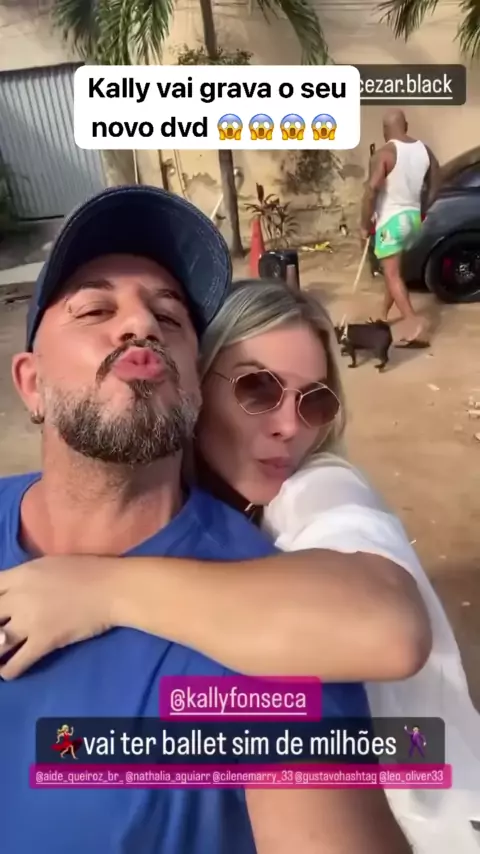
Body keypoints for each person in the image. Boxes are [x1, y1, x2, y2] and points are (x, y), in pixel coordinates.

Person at [0, 187, 414, 854]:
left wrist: (100, 588)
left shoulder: (270, 635)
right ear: (29, 383)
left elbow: (385, 624)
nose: (140, 325)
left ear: (190, 380)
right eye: (97, 309)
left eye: (169, 318)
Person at [360, 108, 440, 346]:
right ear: (406, 126)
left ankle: (414, 323)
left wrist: (364, 223)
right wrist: (422, 209)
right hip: (413, 219)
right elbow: (436, 185)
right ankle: (382, 315)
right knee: (394, 273)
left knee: (392, 275)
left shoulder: (384, 154)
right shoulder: (425, 151)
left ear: (385, 130)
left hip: (390, 222)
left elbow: (370, 191)